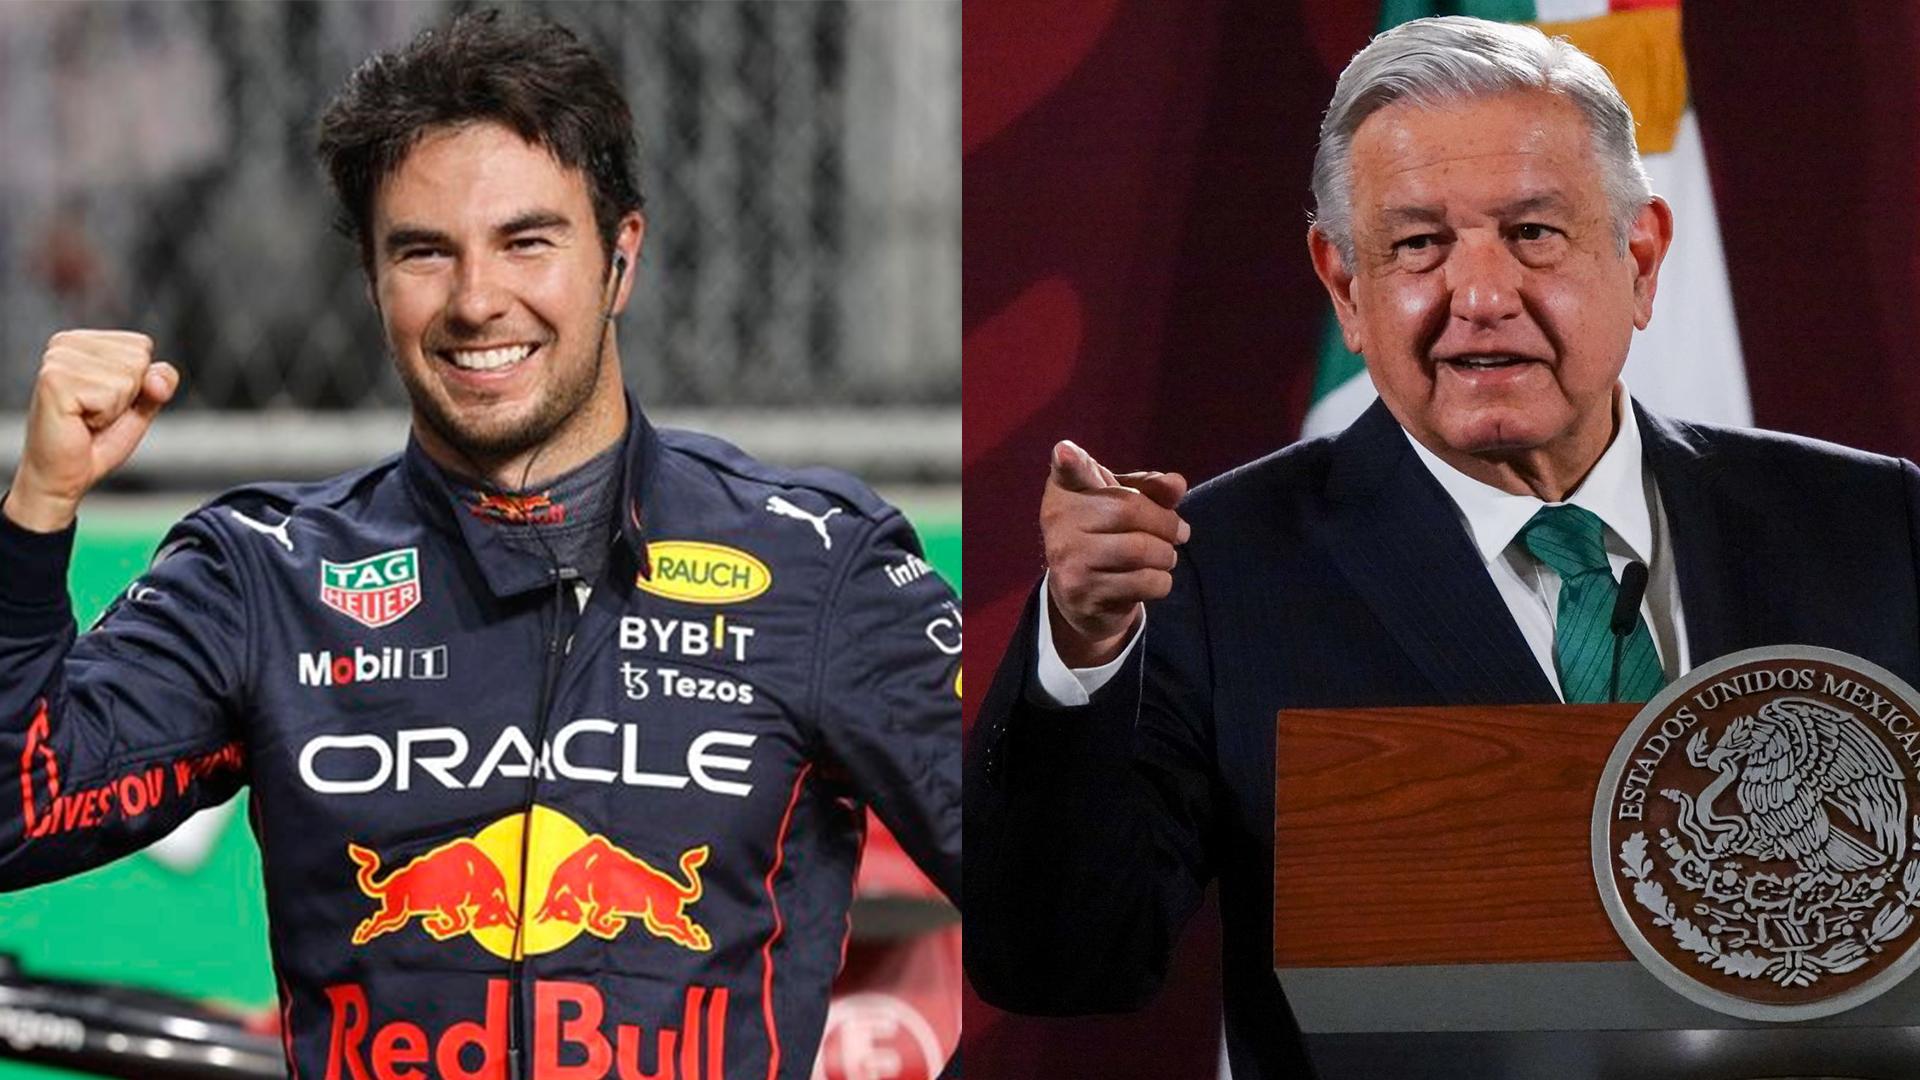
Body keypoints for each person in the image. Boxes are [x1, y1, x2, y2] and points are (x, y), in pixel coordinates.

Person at [0, 12, 959, 1080]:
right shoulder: (262, 574)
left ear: (620, 259)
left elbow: (1065, 924)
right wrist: (37, 510)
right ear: (371, 281)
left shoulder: (820, 566)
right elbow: (14, 812)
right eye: (422, 252)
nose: (475, 300)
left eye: (527, 240)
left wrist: (1085, 658)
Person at [964, 15, 1920, 1078]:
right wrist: (1081, 653)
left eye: (1533, 234)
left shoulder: (1873, 529)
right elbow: (1064, 963)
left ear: (1641, 258)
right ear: (1344, 286)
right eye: (1418, 244)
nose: (1479, 297)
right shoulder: (1219, 573)